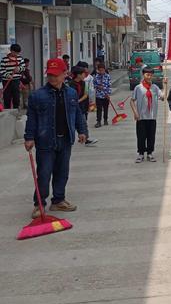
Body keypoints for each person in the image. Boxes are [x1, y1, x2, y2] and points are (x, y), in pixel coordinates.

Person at [24, 58, 87, 219]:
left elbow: (77, 113)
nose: (52, 78)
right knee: (44, 173)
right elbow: (31, 118)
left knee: (62, 172)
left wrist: (82, 131)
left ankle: (58, 200)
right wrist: (29, 137)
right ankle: (39, 204)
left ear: (65, 74)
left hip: (65, 140)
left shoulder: (71, 93)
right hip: (45, 141)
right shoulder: (38, 96)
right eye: (50, 75)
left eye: (56, 75)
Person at [131, 67, 165, 163]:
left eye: (151, 75)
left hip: (152, 116)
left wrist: (165, 85)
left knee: (151, 136)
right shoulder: (138, 88)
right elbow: (132, 101)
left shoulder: (155, 87)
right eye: (147, 74)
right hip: (141, 117)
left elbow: (162, 97)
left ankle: (150, 153)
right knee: (141, 136)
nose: (149, 76)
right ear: (143, 75)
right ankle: (141, 154)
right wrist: (135, 112)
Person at [0, 43, 25, 109]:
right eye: (15, 52)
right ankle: (7, 111)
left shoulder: (20, 58)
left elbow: (23, 68)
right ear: (11, 51)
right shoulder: (4, 59)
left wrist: (19, 69)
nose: (16, 54)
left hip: (16, 81)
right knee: (7, 97)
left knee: (16, 97)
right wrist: (7, 75)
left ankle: (16, 111)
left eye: (17, 53)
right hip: (6, 81)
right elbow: (2, 70)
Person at [93, 63, 112, 127]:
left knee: (105, 108)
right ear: (98, 70)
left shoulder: (107, 76)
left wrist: (108, 94)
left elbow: (109, 85)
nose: (101, 71)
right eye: (100, 70)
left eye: (102, 70)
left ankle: (105, 120)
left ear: (104, 69)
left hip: (105, 95)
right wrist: (98, 86)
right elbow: (94, 85)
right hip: (98, 95)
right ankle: (98, 121)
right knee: (99, 109)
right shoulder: (96, 77)